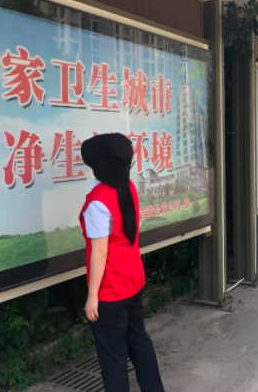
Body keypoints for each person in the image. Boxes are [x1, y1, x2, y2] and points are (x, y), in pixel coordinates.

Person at [80, 133, 165, 392]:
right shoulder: (128, 187)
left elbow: (100, 252)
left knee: (113, 357)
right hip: (133, 279)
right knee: (138, 340)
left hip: (111, 290)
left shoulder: (98, 202)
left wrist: (92, 296)